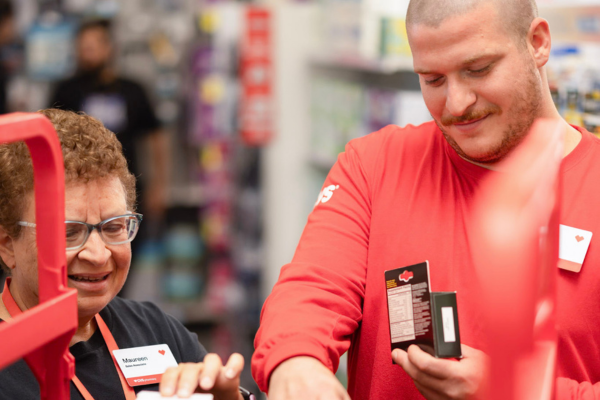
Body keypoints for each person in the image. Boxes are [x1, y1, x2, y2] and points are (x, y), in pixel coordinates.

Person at [252, 0, 600, 399]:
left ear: (537, 42)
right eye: (433, 79)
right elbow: (311, 290)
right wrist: (295, 364)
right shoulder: (374, 165)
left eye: (478, 69)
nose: (456, 104)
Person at [0, 109, 251, 400]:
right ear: (7, 244)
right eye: (68, 232)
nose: (97, 254)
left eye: (114, 226)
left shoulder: (154, 329)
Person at [50, 19, 168, 222]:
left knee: (125, 243)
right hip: (77, 188)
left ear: (109, 48)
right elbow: (50, 137)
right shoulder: (66, 90)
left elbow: (155, 138)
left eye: (92, 47)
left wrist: (159, 185)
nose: (86, 54)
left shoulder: (132, 90)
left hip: (128, 187)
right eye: (82, 48)